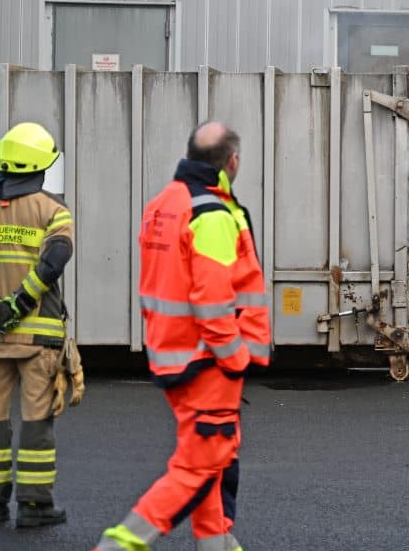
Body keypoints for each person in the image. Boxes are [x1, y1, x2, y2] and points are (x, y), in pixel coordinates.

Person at [95, 122, 271, 551]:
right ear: (232, 162)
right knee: (198, 466)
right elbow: (212, 302)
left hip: (173, 353)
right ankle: (118, 546)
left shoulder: (165, 203)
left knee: (210, 460)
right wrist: (235, 358)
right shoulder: (210, 213)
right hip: (209, 360)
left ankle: (218, 545)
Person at [0, 121, 82, 527]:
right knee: (37, 420)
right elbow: (56, 258)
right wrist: (20, 303)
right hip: (36, 337)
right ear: (41, 166)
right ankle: (34, 506)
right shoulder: (53, 210)